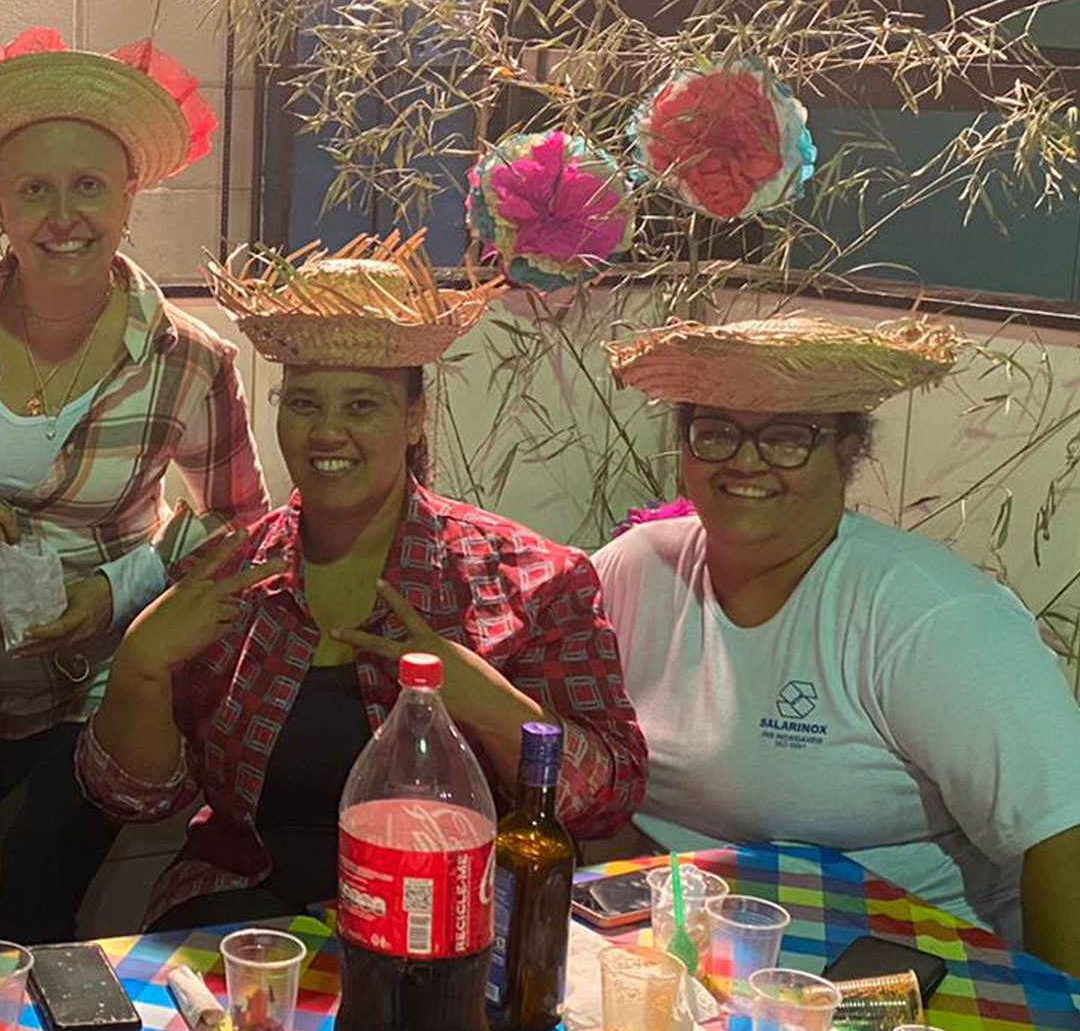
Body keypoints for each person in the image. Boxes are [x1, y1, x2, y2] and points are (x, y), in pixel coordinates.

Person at [76, 234, 648, 929]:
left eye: (361, 406)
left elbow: (608, 796)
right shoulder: (229, 577)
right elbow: (134, 800)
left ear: (414, 418)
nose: (327, 432)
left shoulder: (529, 579)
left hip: (446, 921)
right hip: (244, 917)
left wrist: (486, 702)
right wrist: (140, 664)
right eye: (304, 403)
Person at [0, 26, 268, 941]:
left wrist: (118, 586)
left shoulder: (188, 359)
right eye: (33, 189)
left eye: (88, 186)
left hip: (106, 688)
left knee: (25, 900)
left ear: (129, 194)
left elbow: (242, 529)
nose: (62, 215)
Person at [594, 315, 1080, 976]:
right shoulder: (635, 569)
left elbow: (1061, 831)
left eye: (787, 438)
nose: (745, 461)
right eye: (716, 431)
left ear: (849, 449)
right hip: (672, 955)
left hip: (902, 973)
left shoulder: (929, 614)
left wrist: (1056, 1005)